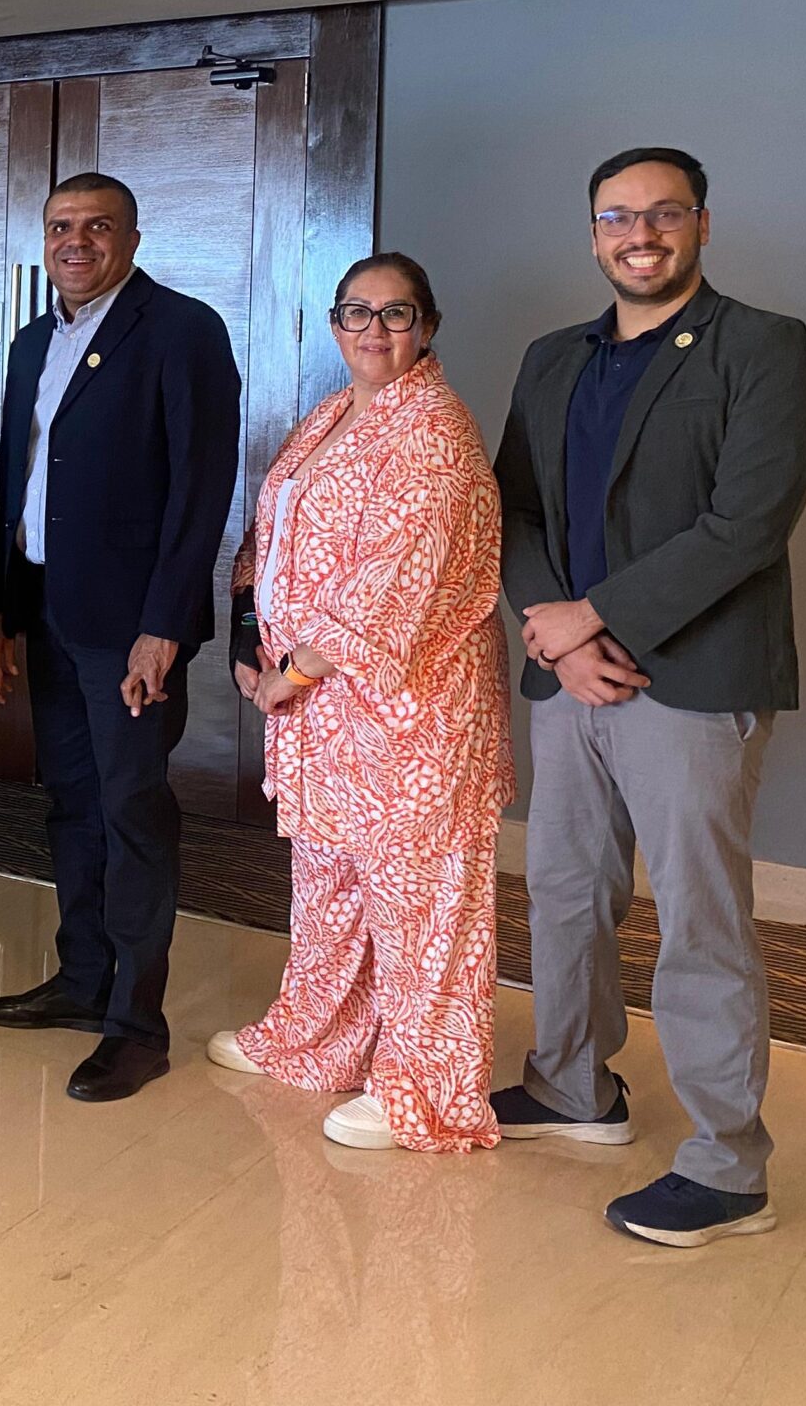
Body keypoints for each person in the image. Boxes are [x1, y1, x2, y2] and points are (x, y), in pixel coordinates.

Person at [492, 147, 806, 1247]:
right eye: (616, 216)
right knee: (566, 890)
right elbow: (519, 511)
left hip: (693, 680)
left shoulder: (762, 348)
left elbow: (744, 526)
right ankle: (571, 1086)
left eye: (662, 213)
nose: (640, 233)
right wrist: (554, 628)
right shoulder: (553, 359)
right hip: (568, 676)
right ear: (592, 233)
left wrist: (598, 621)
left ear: (702, 225)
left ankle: (728, 1168)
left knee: (699, 921)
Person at [207, 254, 511, 1153]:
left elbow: (393, 581)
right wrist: (245, 627)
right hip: (324, 713)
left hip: (411, 713)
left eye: (396, 313)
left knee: (424, 905)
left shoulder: (437, 430)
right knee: (331, 887)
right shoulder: (332, 414)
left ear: (428, 326)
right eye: (357, 313)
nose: (375, 331)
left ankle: (425, 1088)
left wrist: (287, 675)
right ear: (335, 324)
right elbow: (270, 530)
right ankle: (316, 1040)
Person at [0, 173, 241, 1102]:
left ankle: (137, 1023)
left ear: (131, 236)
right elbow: (19, 484)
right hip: (47, 612)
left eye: (96, 227)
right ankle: (82, 979)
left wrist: (163, 628)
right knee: (72, 806)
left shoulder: (181, 330)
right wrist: (3, 608)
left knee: (132, 813)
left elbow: (201, 492)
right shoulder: (33, 342)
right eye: (60, 227)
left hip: (130, 631)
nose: (75, 242)